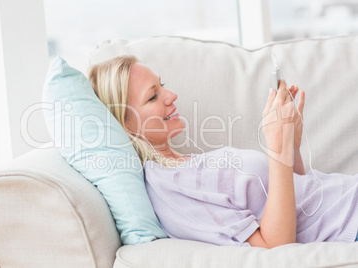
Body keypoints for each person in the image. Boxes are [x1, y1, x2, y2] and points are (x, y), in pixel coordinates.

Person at [88, 55, 358, 249]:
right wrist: (276, 150)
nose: (171, 95)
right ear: (125, 122)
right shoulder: (168, 190)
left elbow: (301, 201)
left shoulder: (185, 165)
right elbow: (274, 247)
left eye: (162, 85)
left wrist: (290, 145)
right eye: (153, 96)